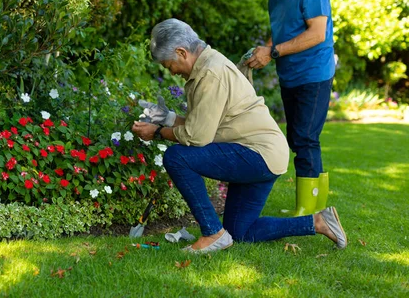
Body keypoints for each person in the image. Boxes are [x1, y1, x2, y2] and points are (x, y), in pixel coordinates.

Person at [132, 18, 346, 253]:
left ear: (181, 52)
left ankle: (212, 233)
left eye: (168, 65)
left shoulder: (210, 74)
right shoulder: (207, 65)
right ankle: (318, 222)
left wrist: (159, 132)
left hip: (256, 154)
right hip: (264, 153)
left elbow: (197, 137)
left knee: (176, 157)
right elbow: (202, 125)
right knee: (239, 231)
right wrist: (166, 117)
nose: (170, 71)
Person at [245, 0, 335, 216]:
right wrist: (265, 50)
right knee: (299, 140)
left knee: (305, 138)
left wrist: (273, 53)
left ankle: (307, 211)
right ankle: (316, 206)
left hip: (314, 74)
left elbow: (317, 34)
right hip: (290, 76)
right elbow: (281, 31)